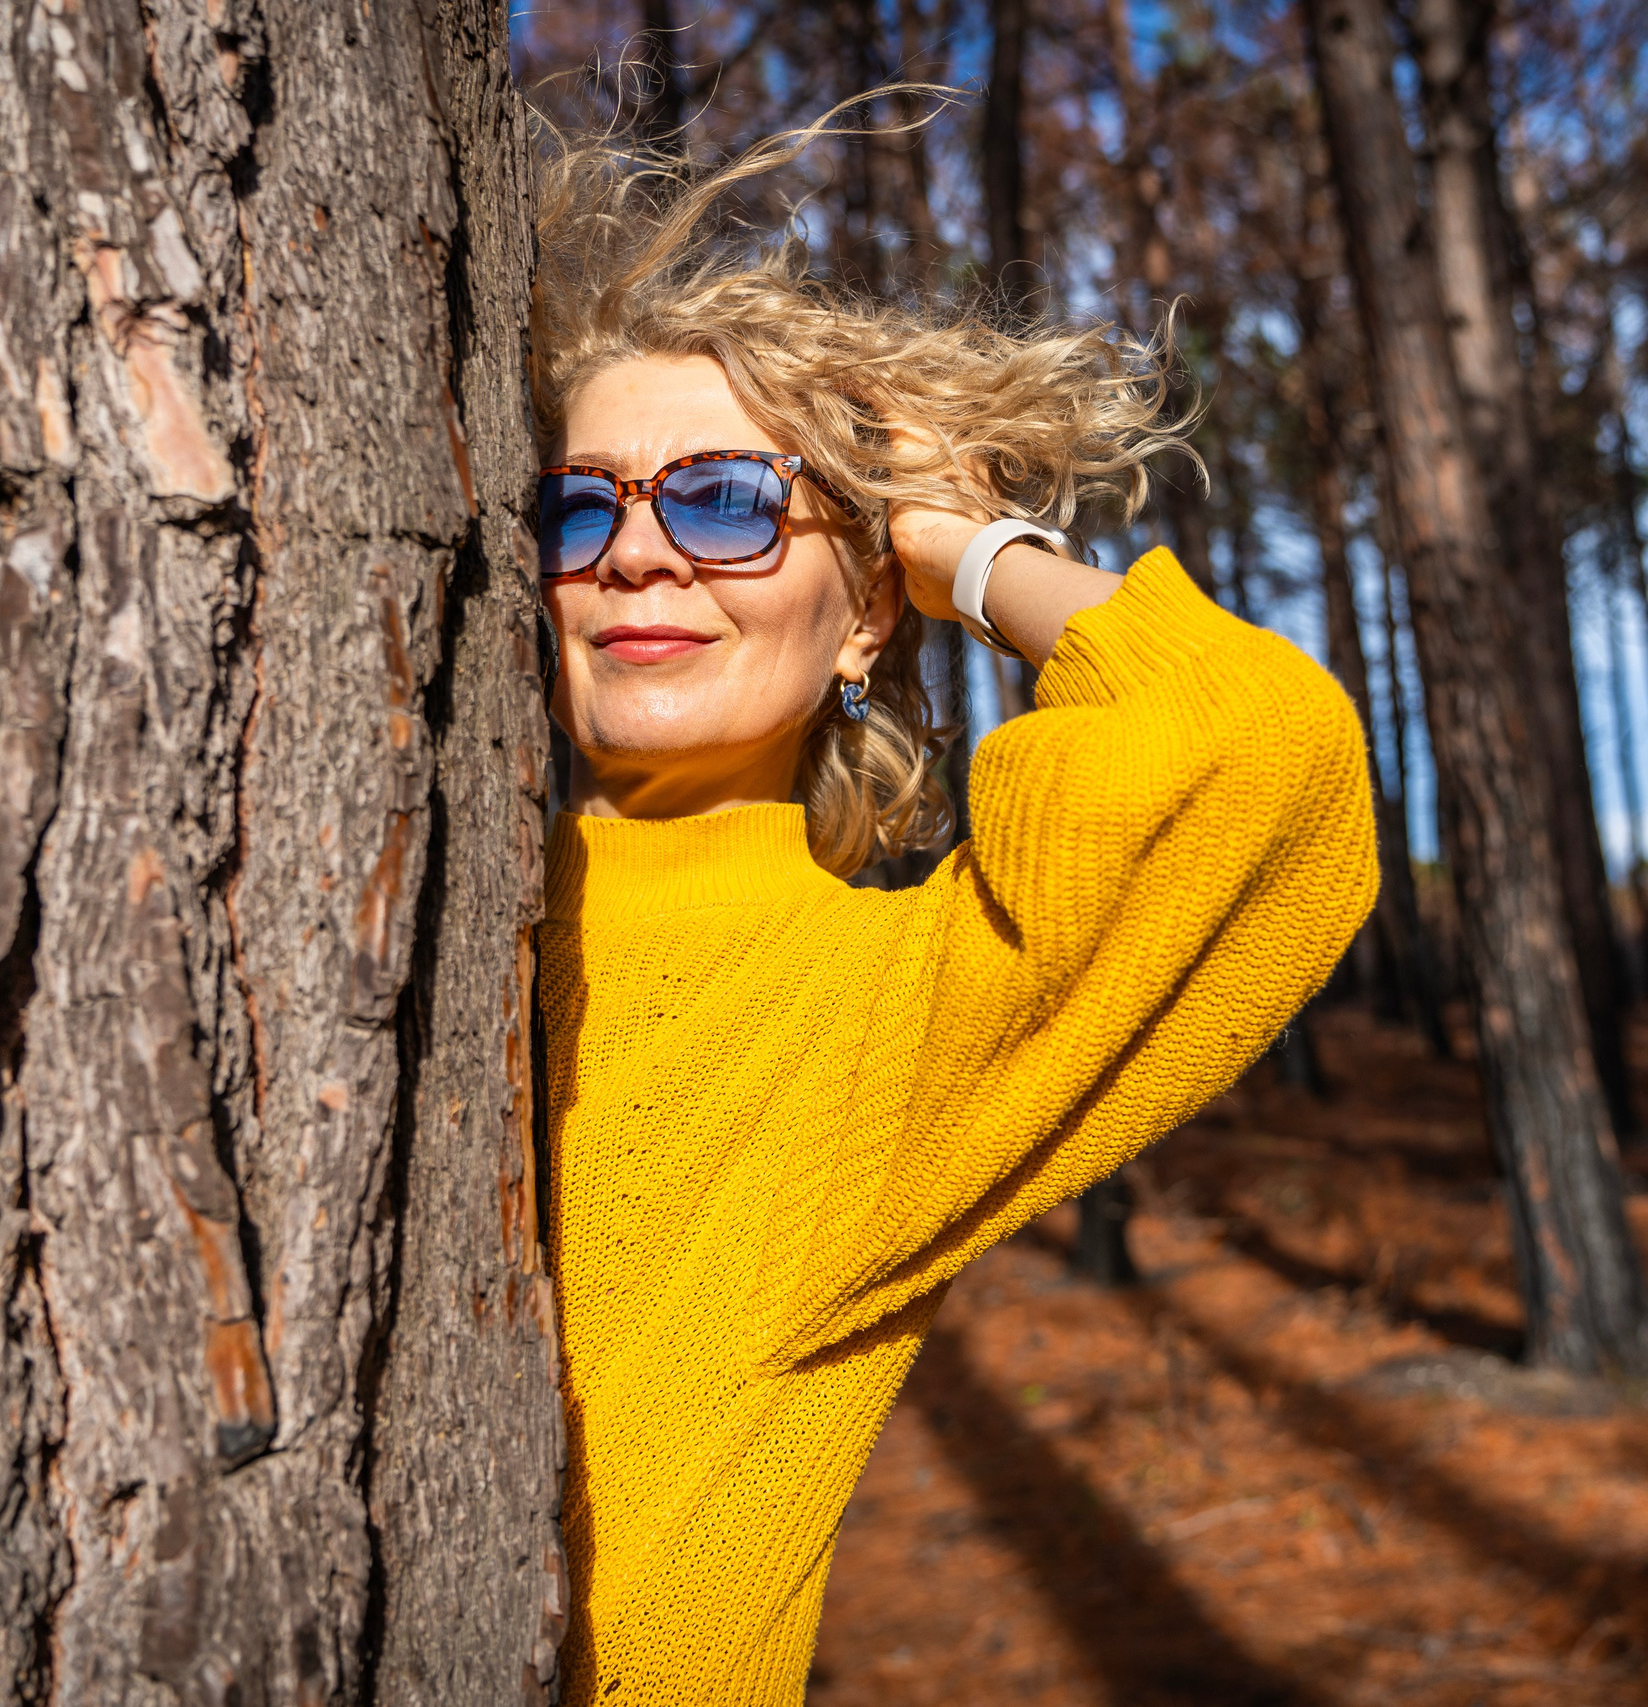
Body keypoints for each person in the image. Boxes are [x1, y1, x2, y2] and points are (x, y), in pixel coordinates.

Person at [528, 113, 1377, 1704]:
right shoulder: (424, 910)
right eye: (579, 511)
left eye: (726, 502)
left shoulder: (875, 1013)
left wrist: (953, 542)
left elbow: (1261, 757)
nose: (636, 554)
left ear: (862, 616)